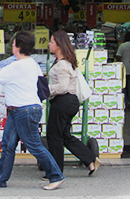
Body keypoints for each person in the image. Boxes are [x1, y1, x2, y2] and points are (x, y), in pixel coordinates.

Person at [0, 31, 65, 190]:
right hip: (20, 110)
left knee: (34, 145)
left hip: (23, 110)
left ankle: (56, 175)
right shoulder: (32, 63)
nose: (11, 46)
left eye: (13, 44)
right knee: (8, 145)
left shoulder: (17, 65)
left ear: (18, 47)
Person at [46, 31, 100, 176]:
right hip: (69, 102)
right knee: (64, 135)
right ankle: (90, 159)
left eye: (51, 41)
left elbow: (62, 87)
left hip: (62, 102)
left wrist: (46, 89)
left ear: (59, 44)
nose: (49, 44)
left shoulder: (62, 64)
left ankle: (55, 172)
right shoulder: (64, 61)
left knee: (54, 136)